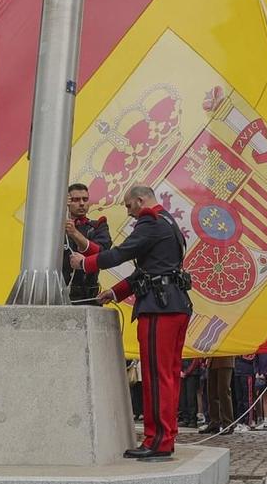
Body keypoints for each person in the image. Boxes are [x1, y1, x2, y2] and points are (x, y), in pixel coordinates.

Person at [74, 183, 193, 460]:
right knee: (168, 375)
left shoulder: (149, 221)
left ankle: (157, 440)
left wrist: (85, 264)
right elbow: (149, 270)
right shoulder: (168, 222)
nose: (129, 213)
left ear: (140, 201)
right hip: (174, 304)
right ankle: (166, 436)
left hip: (158, 307)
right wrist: (116, 292)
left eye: (129, 206)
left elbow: (120, 254)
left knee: (155, 375)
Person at [63, 183, 112, 305]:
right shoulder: (55, 227)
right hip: (58, 295)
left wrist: (74, 233)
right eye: (76, 200)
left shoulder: (98, 226)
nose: (82, 203)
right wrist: (60, 208)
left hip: (87, 296)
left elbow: (102, 254)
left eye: (85, 199)